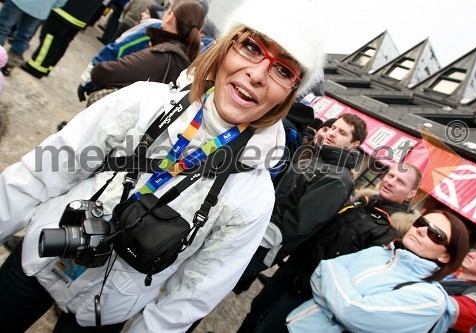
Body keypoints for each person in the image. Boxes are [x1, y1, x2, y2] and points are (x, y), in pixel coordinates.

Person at [0, 0, 326, 332]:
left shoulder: (252, 197)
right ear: (226, 48)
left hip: (104, 308)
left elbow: (191, 296)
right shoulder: (142, 103)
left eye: (283, 70)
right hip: (46, 250)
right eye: (251, 47)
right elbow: (38, 175)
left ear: (290, 95)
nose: (257, 74)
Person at [237, 162, 422, 333]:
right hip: (294, 267)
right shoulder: (365, 200)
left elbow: (354, 271)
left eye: (401, 182)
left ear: (411, 193)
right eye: (390, 176)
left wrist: (307, 281)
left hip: (310, 289)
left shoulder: (393, 230)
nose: (390, 182)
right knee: (257, 310)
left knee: (269, 327)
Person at [233, 114, 368, 294]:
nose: (333, 133)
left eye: (342, 132)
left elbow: (298, 223)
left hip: (262, 244)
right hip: (253, 232)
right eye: (333, 127)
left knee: (207, 292)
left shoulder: (338, 179)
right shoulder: (320, 158)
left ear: (354, 145)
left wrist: (254, 234)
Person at [286, 210, 470, 333]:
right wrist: (339, 305)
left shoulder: (430, 299)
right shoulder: (379, 253)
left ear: (446, 257)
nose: (421, 230)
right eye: (421, 222)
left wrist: (337, 299)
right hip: (293, 323)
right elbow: (323, 268)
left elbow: (352, 313)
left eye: (435, 234)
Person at [89, 0, 205, 100]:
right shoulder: (189, 60)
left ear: (170, 17)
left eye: (168, 11)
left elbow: (102, 73)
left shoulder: (161, 56)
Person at [20, 0, 106, 78]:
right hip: (83, 16)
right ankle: (47, 66)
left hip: (65, 9)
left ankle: (36, 67)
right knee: (63, 42)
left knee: (50, 38)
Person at [0, 0, 67, 71]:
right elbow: (60, 2)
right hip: (41, 8)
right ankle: (9, 65)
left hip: (18, 2)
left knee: (2, 28)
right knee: (24, 36)